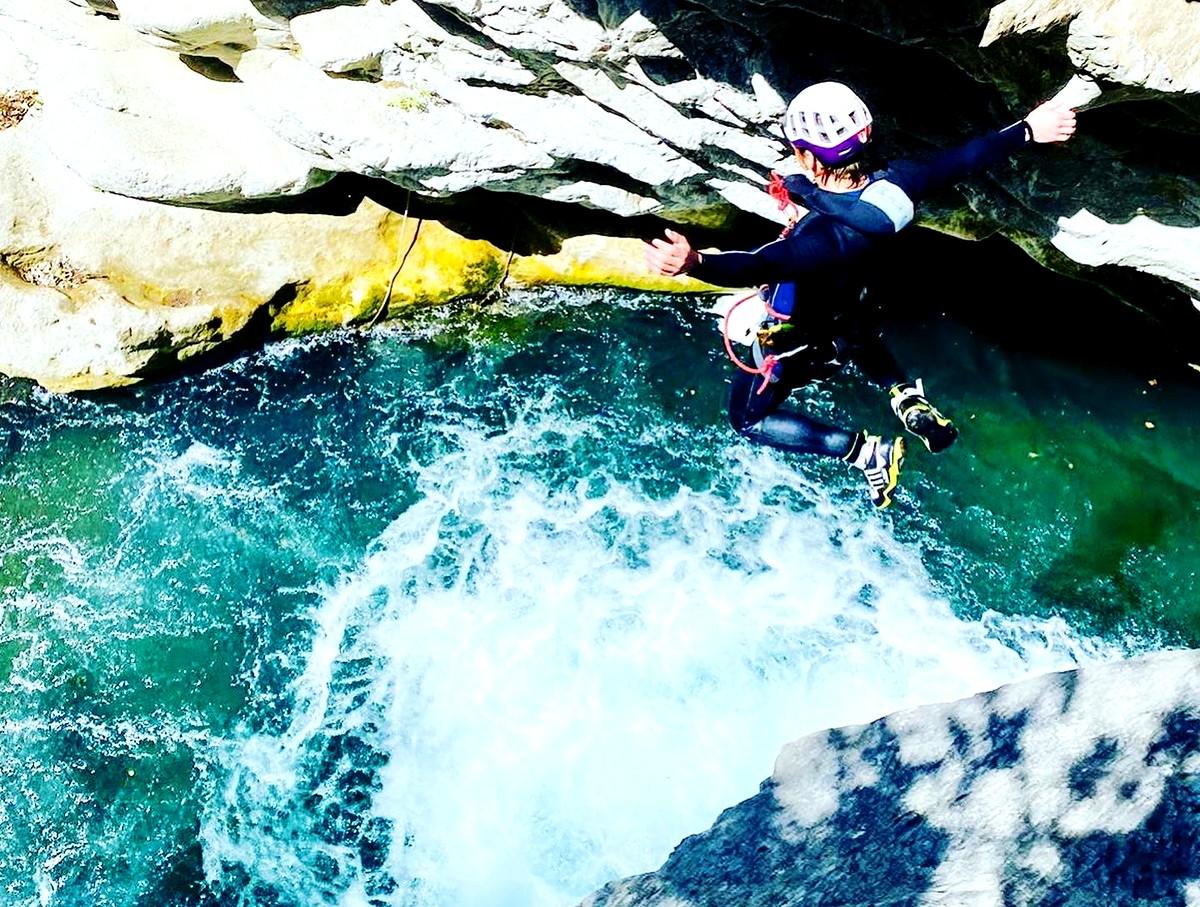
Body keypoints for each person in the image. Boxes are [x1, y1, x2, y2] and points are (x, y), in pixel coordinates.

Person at [645, 81, 1077, 508]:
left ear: (807, 157)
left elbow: (761, 264)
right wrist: (1028, 129)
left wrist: (696, 263)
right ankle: (904, 396)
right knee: (855, 332)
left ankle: (867, 452)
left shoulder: (826, 239)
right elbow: (962, 159)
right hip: (856, 307)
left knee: (748, 419)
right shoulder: (899, 180)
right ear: (866, 135)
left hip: (803, 339)